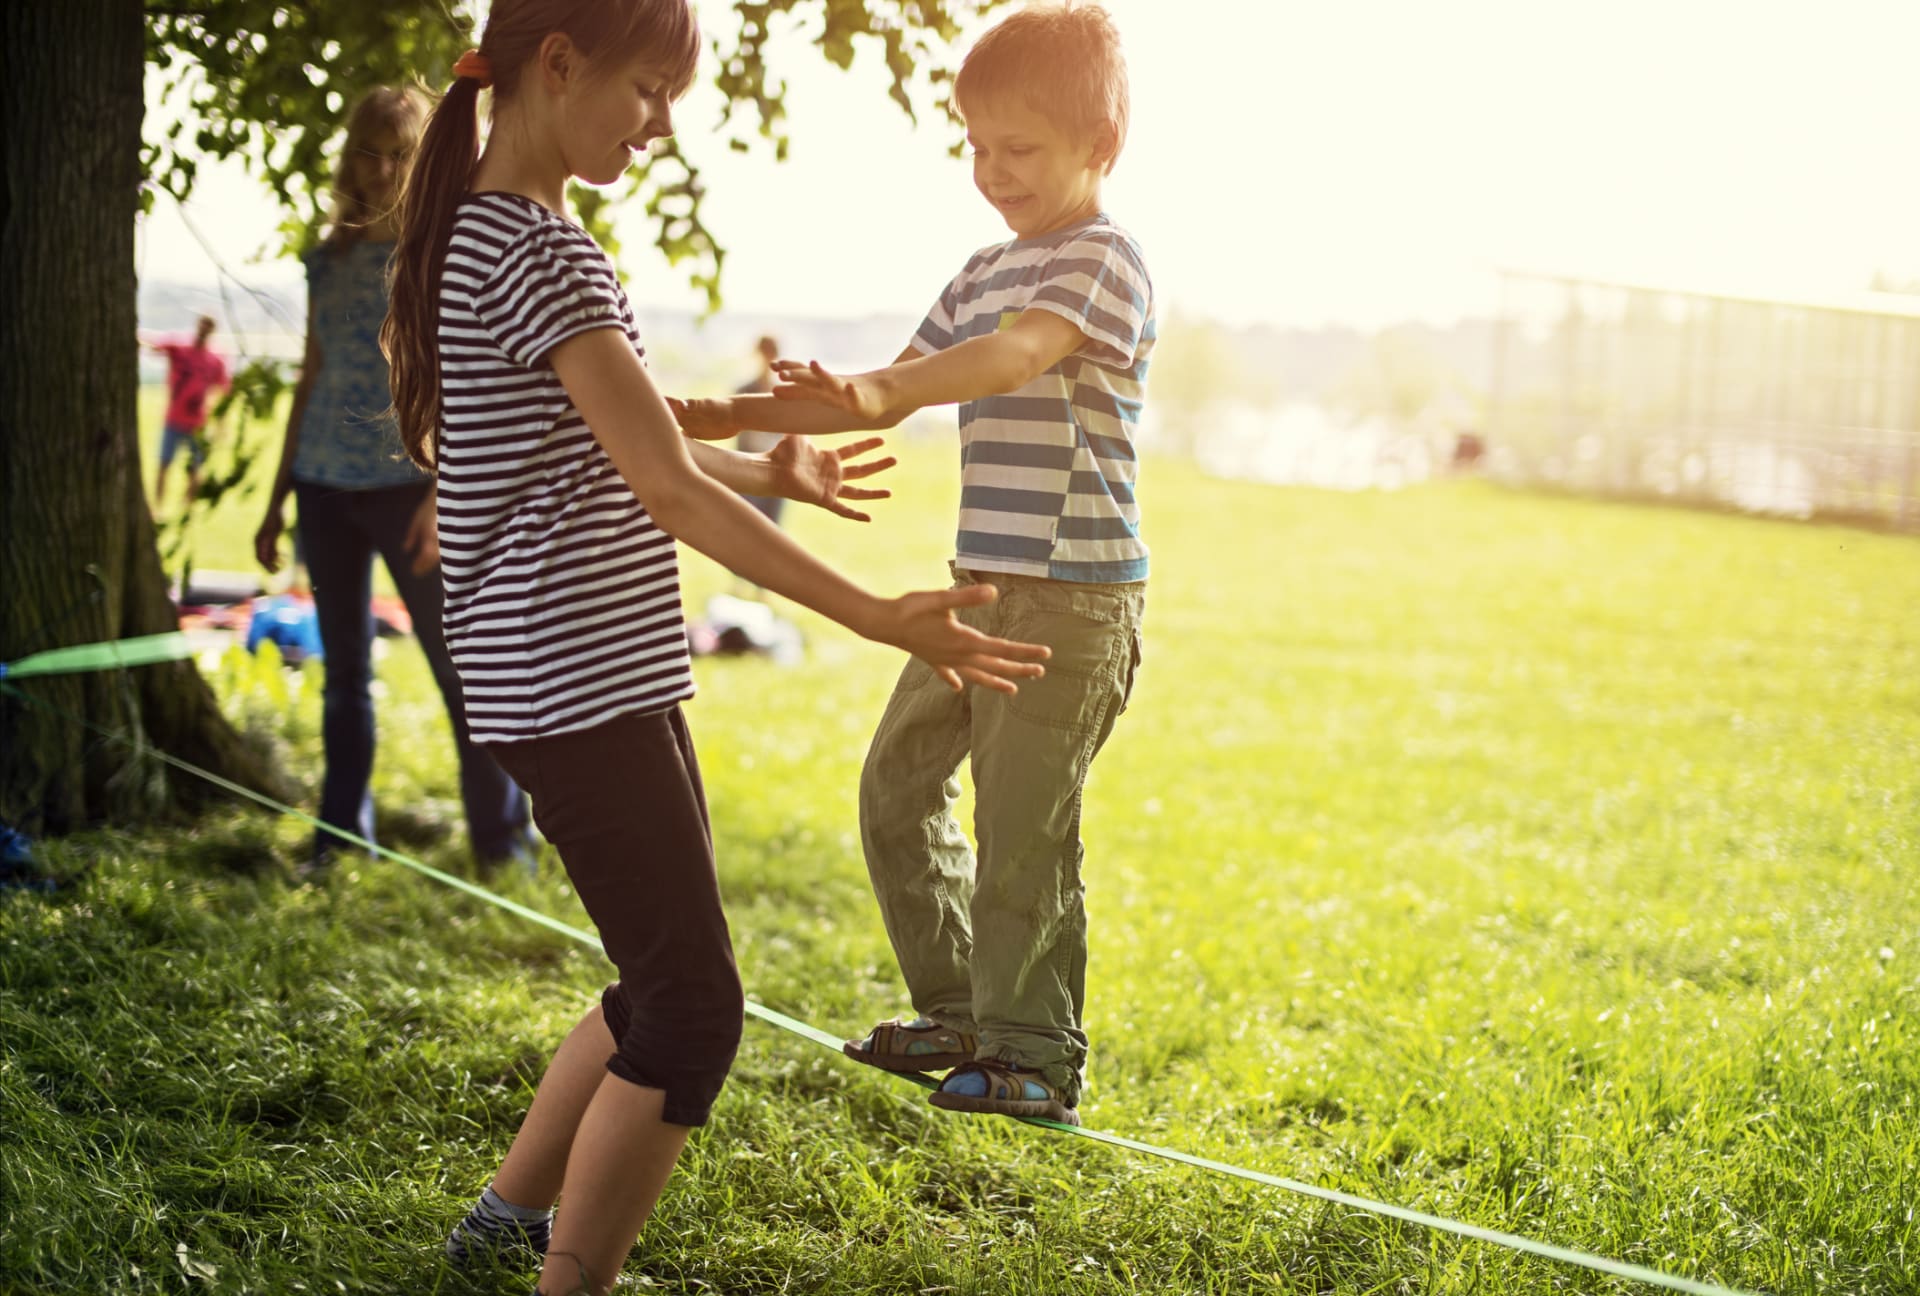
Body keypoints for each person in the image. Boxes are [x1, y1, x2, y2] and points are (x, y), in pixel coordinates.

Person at [378, 5, 1050, 1293]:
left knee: (661, 975)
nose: (661, 123)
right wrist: (873, 613)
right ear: (559, 63)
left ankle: (509, 1220)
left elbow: (626, 422)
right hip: (578, 686)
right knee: (694, 1012)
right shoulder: (542, 253)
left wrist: (766, 444)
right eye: (647, 89)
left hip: (566, 676)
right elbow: (668, 487)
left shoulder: (487, 228)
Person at [672, 2, 1152, 1129]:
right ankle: (959, 1015)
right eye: (976, 146)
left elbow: (1011, 357)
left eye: (1019, 148)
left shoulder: (1104, 261)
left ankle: (1037, 1057)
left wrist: (887, 395)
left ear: (1101, 146)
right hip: (981, 585)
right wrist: (710, 408)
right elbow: (871, 387)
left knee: (1022, 828)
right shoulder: (981, 266)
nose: (992, 171)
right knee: (895, 789)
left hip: (1072, 601)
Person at [253, 86, 532, 878]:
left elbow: (465, 383)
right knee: (344, 674)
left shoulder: (441, 255)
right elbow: (311, 374)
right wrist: (277, 499)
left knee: (462, 671)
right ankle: (340, 837)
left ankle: (502, 842)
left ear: (422, 161)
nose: (378, 172)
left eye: (396, 156)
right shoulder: (326, 259)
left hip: (413, 490)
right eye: (366, 155)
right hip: (322, 487)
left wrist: (446, 494)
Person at [142, 314, 230, 508]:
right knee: (164, 465)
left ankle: (187, 509)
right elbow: (152, 345)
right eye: (202, 324)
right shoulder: (179, 348)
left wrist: (221, 425)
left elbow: (224, 393)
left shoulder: (215, 360)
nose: (203, 329)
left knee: (195, 469)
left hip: (197, 423)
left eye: (208, 326)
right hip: (173, 419)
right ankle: (157, 507)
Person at [732, 335, 786, 524]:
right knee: (748, 524)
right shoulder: (744, 390)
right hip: (749, 466)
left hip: (778, 468)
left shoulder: (784, 393)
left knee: (772, 526)